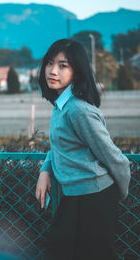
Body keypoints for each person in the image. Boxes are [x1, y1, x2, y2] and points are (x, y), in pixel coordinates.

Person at [35, 39, 131, 260]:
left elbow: (113, 156)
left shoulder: (78, 110)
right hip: (74, 194)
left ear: (76, 72)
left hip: (95, 196)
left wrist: (121, 192)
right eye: (50, 63)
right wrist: (45, 170)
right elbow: (60, 145)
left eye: (63, 65)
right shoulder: (61, 105)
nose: (53, 71)